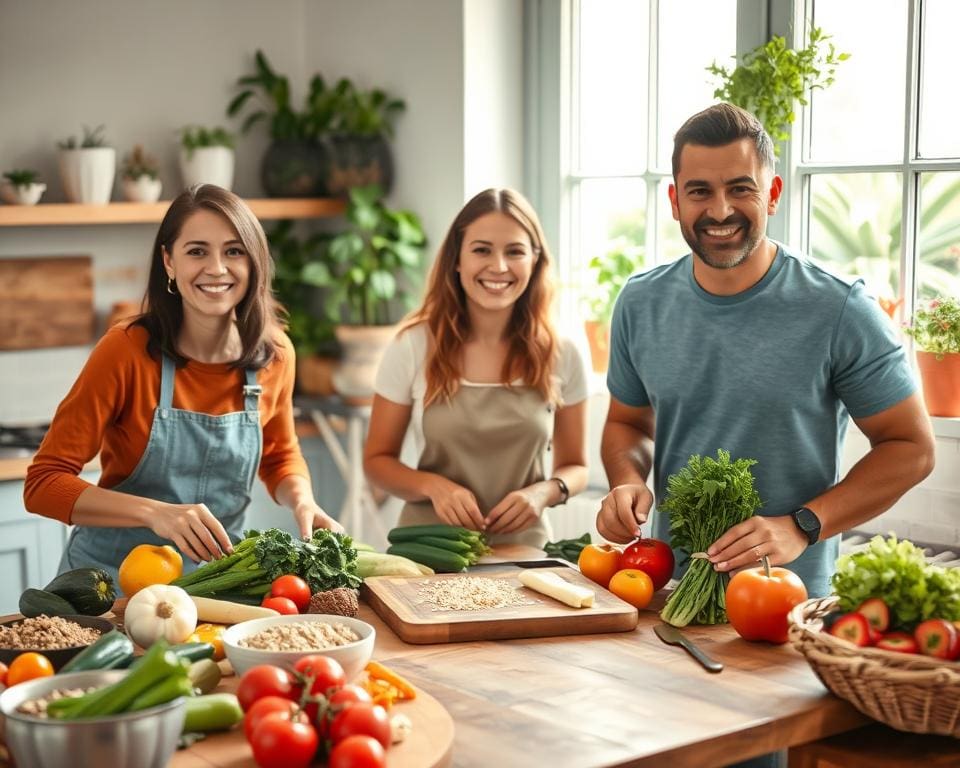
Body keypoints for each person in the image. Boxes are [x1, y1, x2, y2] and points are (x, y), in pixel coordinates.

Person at [597, 103, 935, 598]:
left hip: (787, 598)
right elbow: (628, 423)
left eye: (740, 188)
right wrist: (626, 479)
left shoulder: (839, 307)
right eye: (699, 191)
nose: (719, 210)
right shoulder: (640, 301)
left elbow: (912, 448)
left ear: (772, 194)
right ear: (674, 201)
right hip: (671, 589)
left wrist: (801, 525)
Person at [25, 184, 341, 584]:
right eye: (197, 251)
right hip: (105, 585)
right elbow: (43, 484)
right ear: (168, 261)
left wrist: (303, 501)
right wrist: (155, 512)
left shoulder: (275, 354)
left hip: (215, 584)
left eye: (233, 250)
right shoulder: (125, 351)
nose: (217, 268)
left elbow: (279, 456)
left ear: (254, 260)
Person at [363, 188, 588, 547]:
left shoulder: (563, 352)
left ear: (535, 260)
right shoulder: (412, 345)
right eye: (482, 250)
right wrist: (433, 486)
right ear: (457, 259)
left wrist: (545, 492)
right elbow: (377, 461)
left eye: (514, 251)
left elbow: (576, 465)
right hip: (429, 551)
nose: (498, 266)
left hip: (525, 552)